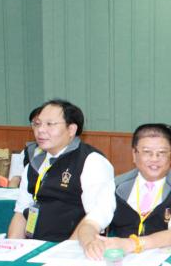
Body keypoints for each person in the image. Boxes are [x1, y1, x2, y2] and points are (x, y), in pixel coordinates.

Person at [7, 99, 116, 256]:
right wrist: (12, 248)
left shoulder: (91, 161)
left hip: (73, 250)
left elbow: (95, 216)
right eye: (37, 124)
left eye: (50, 124)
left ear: (71, 129)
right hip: (34, 247)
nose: (40, 130)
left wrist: (63, 252)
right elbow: (21, 211)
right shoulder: (35, 161)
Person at [81, 123, 171, 259]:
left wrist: (133, 244)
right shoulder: (116, 186)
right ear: (134, 154)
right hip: (122, 259)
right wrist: (90, 243)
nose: (154, 159)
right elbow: (90, 223)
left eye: (162, 153)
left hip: (165, 261)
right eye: (147, 152)